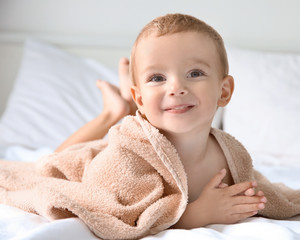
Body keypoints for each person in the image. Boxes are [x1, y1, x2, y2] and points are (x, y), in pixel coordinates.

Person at [55, 13, 267, 228]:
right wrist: (196, 214)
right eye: (157, 78)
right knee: (57, 160)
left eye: (194, 73)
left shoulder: (230, 155)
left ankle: (126, 106)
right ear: (141, 98)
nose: (176, 88)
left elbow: (270, 194)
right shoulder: (124, 158)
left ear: (224, 92)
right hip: (95, 161)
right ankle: (113, 112)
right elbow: (109, 215)